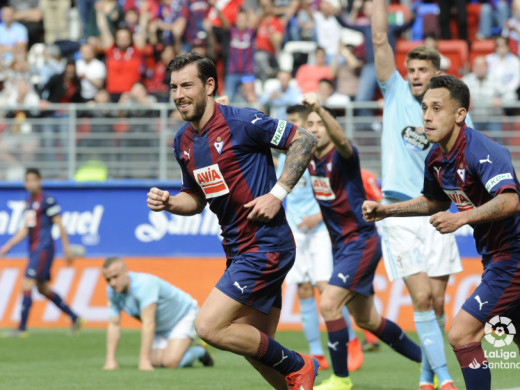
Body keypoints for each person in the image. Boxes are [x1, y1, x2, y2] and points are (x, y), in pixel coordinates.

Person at [146, 52, 320, 389]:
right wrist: (169, 202)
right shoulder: (182, 141)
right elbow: (195, 198)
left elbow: (305, 139)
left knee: (209, 327)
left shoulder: (243, 122)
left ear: (209, 85)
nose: (179, 94)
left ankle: (302, 364)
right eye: (173, 87)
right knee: (255, 347)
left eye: (187, 85)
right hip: (238, 250)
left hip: (266, 245)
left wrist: (278, 193)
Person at [362, 74, 520, 390]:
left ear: (460, 114)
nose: (427, 116)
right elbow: (434, 201)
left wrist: (462, 219)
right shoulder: (436, 158)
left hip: (512, 257)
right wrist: (387, 209)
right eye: (424, 108)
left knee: (462, 334)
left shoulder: (483, 151)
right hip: (494, 256)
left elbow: (510, 199)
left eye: (437, 108)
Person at [372, 1, 465, 388]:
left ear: (436, 74)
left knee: (438, 302)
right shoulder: (393, 93)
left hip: (438, 211)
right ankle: (444, 379)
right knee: (422, 296)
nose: (413, 76)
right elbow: (379, 38)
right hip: (398, 212)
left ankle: (426, 379)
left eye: (422, 70)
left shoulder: (455, 112)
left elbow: (466, 163)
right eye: (409, 70)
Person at [302, 92, 422, 390]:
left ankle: (341, 380)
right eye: (311, 124)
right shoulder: (308, 160)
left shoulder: (344, 155)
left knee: (329, 304)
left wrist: (317, 105)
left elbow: (341, 140)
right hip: (342, 247)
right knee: (368, 320)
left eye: (320, 123)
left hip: (360, 242)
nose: (315, 128)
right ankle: (431, 362)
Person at [277, 104, 363, 373]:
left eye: (295, 121)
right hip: (295, 228)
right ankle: (316, 352)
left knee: (326, 288)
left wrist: (316, 216)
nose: (290, 126)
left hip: (320, 227)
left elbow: (330, 190)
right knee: (302, 288)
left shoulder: (322, 155)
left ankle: (350, 341)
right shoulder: (286, 156)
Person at [0, 168, 83, 336]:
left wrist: (67, 248)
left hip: (43, 249)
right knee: (43, 289)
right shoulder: (29, 203)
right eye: (27, 180)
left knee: (26, 283)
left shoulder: (48, 200)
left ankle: (22, 328)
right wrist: (8, 246)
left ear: (40, 181)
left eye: (33, 180)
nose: (30, 183)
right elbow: (25, 229)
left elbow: (59, 223)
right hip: (34, 250)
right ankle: (75, 317)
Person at [101, 257, 214, 370]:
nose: (112, 283)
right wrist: (110, 360)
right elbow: (114, 324)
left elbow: (149, 322)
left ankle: (200, 351)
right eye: (108, 279)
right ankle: (179, 352)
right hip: (161, 326)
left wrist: (143, 361)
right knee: (156, 362)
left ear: (126, 271)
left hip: (184, 315)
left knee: (170, 363)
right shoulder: (111, 291)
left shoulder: (143, 285)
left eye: (115, 276)